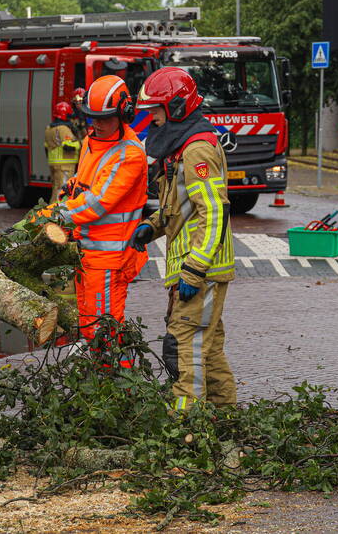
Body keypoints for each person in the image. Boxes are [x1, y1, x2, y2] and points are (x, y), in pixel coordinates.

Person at [129, 67, 236, 411]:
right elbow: (181, 206)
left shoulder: (196, 151)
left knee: (182, 348)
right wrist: (153, 225)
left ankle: (184, 432)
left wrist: (194, 270)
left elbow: (214, 212)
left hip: (200, 272)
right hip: (195, 271)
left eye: (156, 110)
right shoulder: (180, 148)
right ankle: (226, 417)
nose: (152, 119)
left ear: (175, 106)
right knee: (209, 348)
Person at [40, 76, 147, 362]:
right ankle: (100, 389)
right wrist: (69, 188)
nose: (97, 124)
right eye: (93, 118)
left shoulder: (130, 153)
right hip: (86, 253)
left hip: (110, 258)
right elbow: (84, 181)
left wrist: (50, 215)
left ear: (123, 114)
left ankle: (118, 392)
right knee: (89, 328)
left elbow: (97, 202)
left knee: (105, 332)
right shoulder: (90, 141)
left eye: (105, 119)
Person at [44, 101, 80, 197]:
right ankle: (58, 211)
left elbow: (46, 147)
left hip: (54, 164)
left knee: (56, 190)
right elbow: (68, 146)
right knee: (62, 191)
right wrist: (81, 143)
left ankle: (52, 210)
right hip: (65, 165)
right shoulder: (63, 129)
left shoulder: (49, 128)